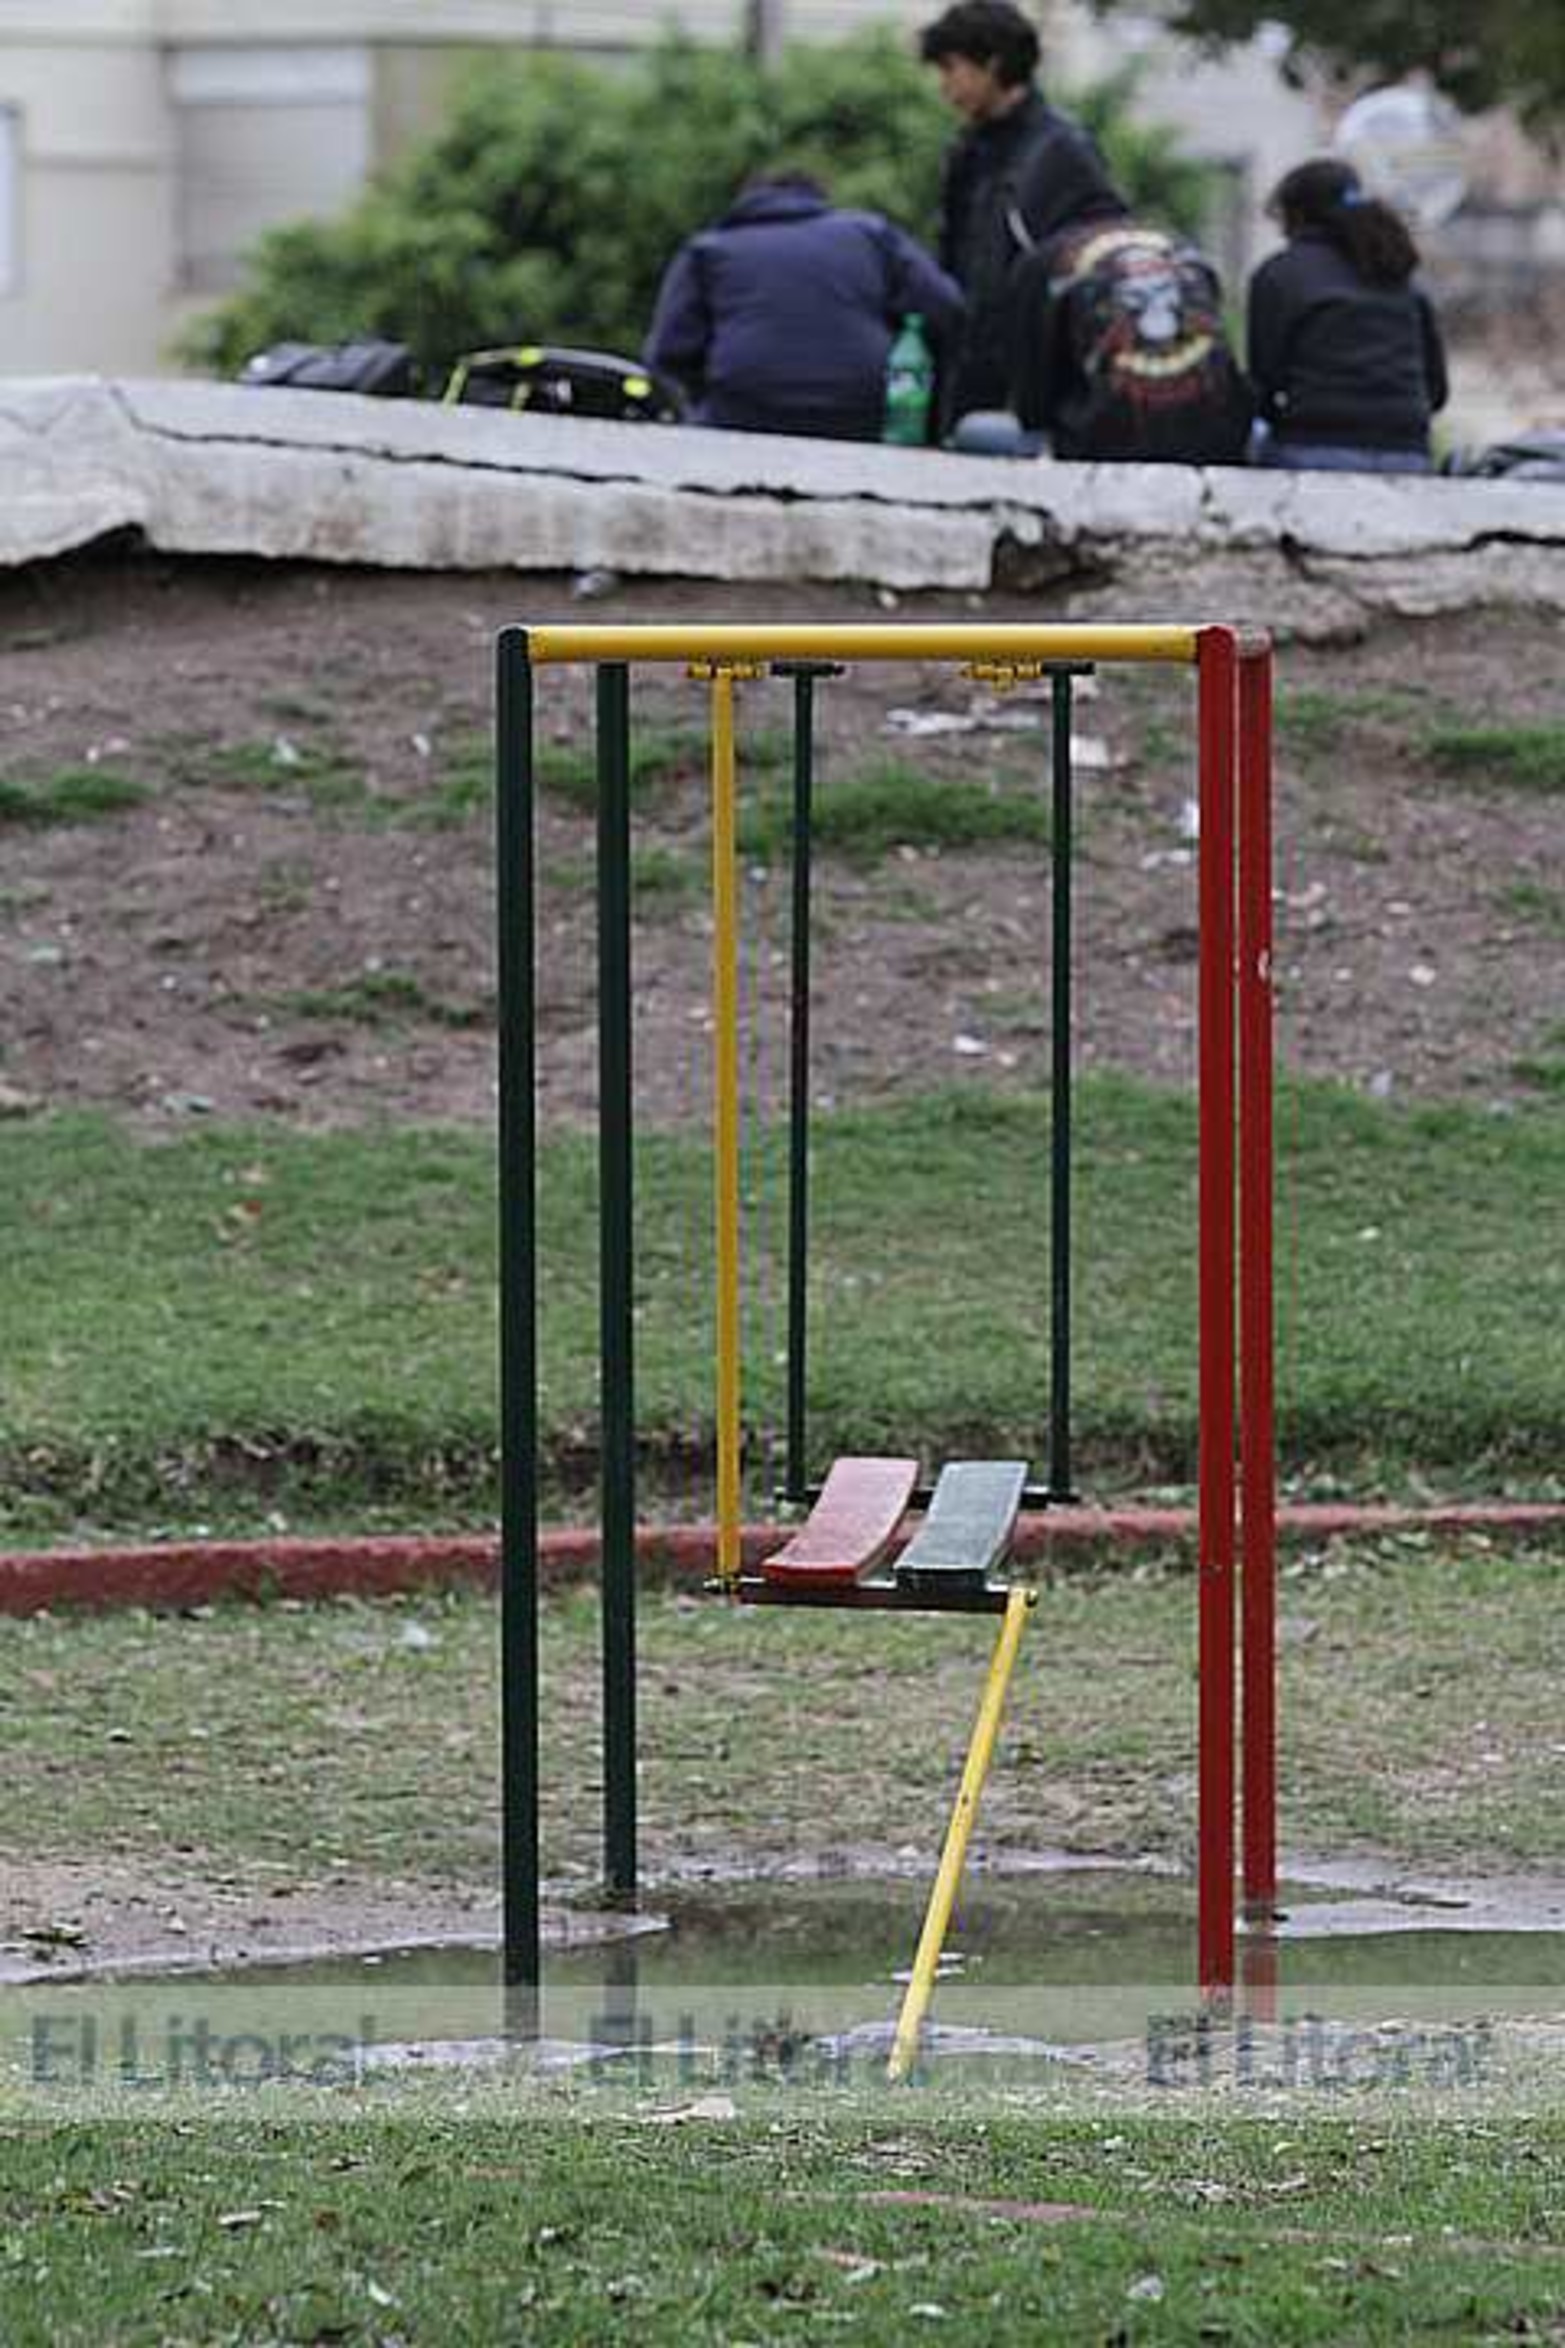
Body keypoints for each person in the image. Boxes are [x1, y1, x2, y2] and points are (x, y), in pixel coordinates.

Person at [919, 0, 1127, 434]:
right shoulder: (967, 151)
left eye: (950, 69)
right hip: (967, 368)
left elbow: (1105, 258)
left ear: (991, 64)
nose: (944, 87)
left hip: (1032, 385)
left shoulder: (1064, 150)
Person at [643, 169, 962, 443]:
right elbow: (944, 306)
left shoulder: (709, 249)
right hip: (861, 414)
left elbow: (668, 354)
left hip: (741, 415)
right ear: (818, 199)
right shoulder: (870, 233)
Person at [1247, 157, 1448, 474]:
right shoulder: (1400, 274)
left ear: (1297, 214)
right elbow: (1436, 391)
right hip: (1407, 452)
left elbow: (1263, 380)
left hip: (1313, 446)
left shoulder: (1280, 273)